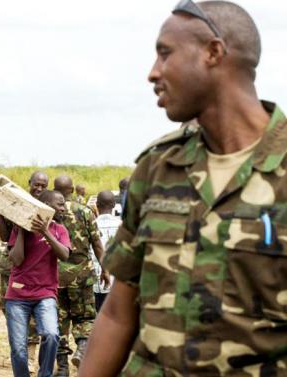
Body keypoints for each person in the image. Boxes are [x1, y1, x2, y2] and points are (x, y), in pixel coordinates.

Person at [81, 1, 287, 376]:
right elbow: (116, 315)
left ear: (213, 52)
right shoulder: (159, 168)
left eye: (165, 54)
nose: (152, 73)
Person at [4, 190, 71, 377]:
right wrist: (23, 231)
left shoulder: (60, 230)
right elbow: (16, 260)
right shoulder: (20, 229)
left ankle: (45, 374)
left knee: (51, 335)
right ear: (46, 206)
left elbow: (64, 255)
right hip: (17, 296)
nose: (64, 208)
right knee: (18, 348)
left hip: (45, 294)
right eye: (60, 204)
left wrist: (45, 232)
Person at [53, 175, 108, 375]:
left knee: (60, 320)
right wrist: (106, 270)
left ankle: (62, 368)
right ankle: (82, 349)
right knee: (85, 317)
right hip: (83, 275)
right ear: (73, 189)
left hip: (56, 277)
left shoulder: (50, 211)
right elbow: (97, 245)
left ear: (54, 189)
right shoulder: (85, 211)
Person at [0, 171, 49, 311]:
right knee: (6, 302)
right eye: (36, 185)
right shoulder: (15, 202)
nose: (39, 189)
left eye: (43, 186)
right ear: (29, 183)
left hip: (37, 266)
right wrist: (0, 212)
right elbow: (4, 237)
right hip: (13, 262)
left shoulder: (49, 206)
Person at [91, 191, 120, 312]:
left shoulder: (91, 225)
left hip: (96, 281)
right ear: (114, 204)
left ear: (97, 205)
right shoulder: (122, 225)